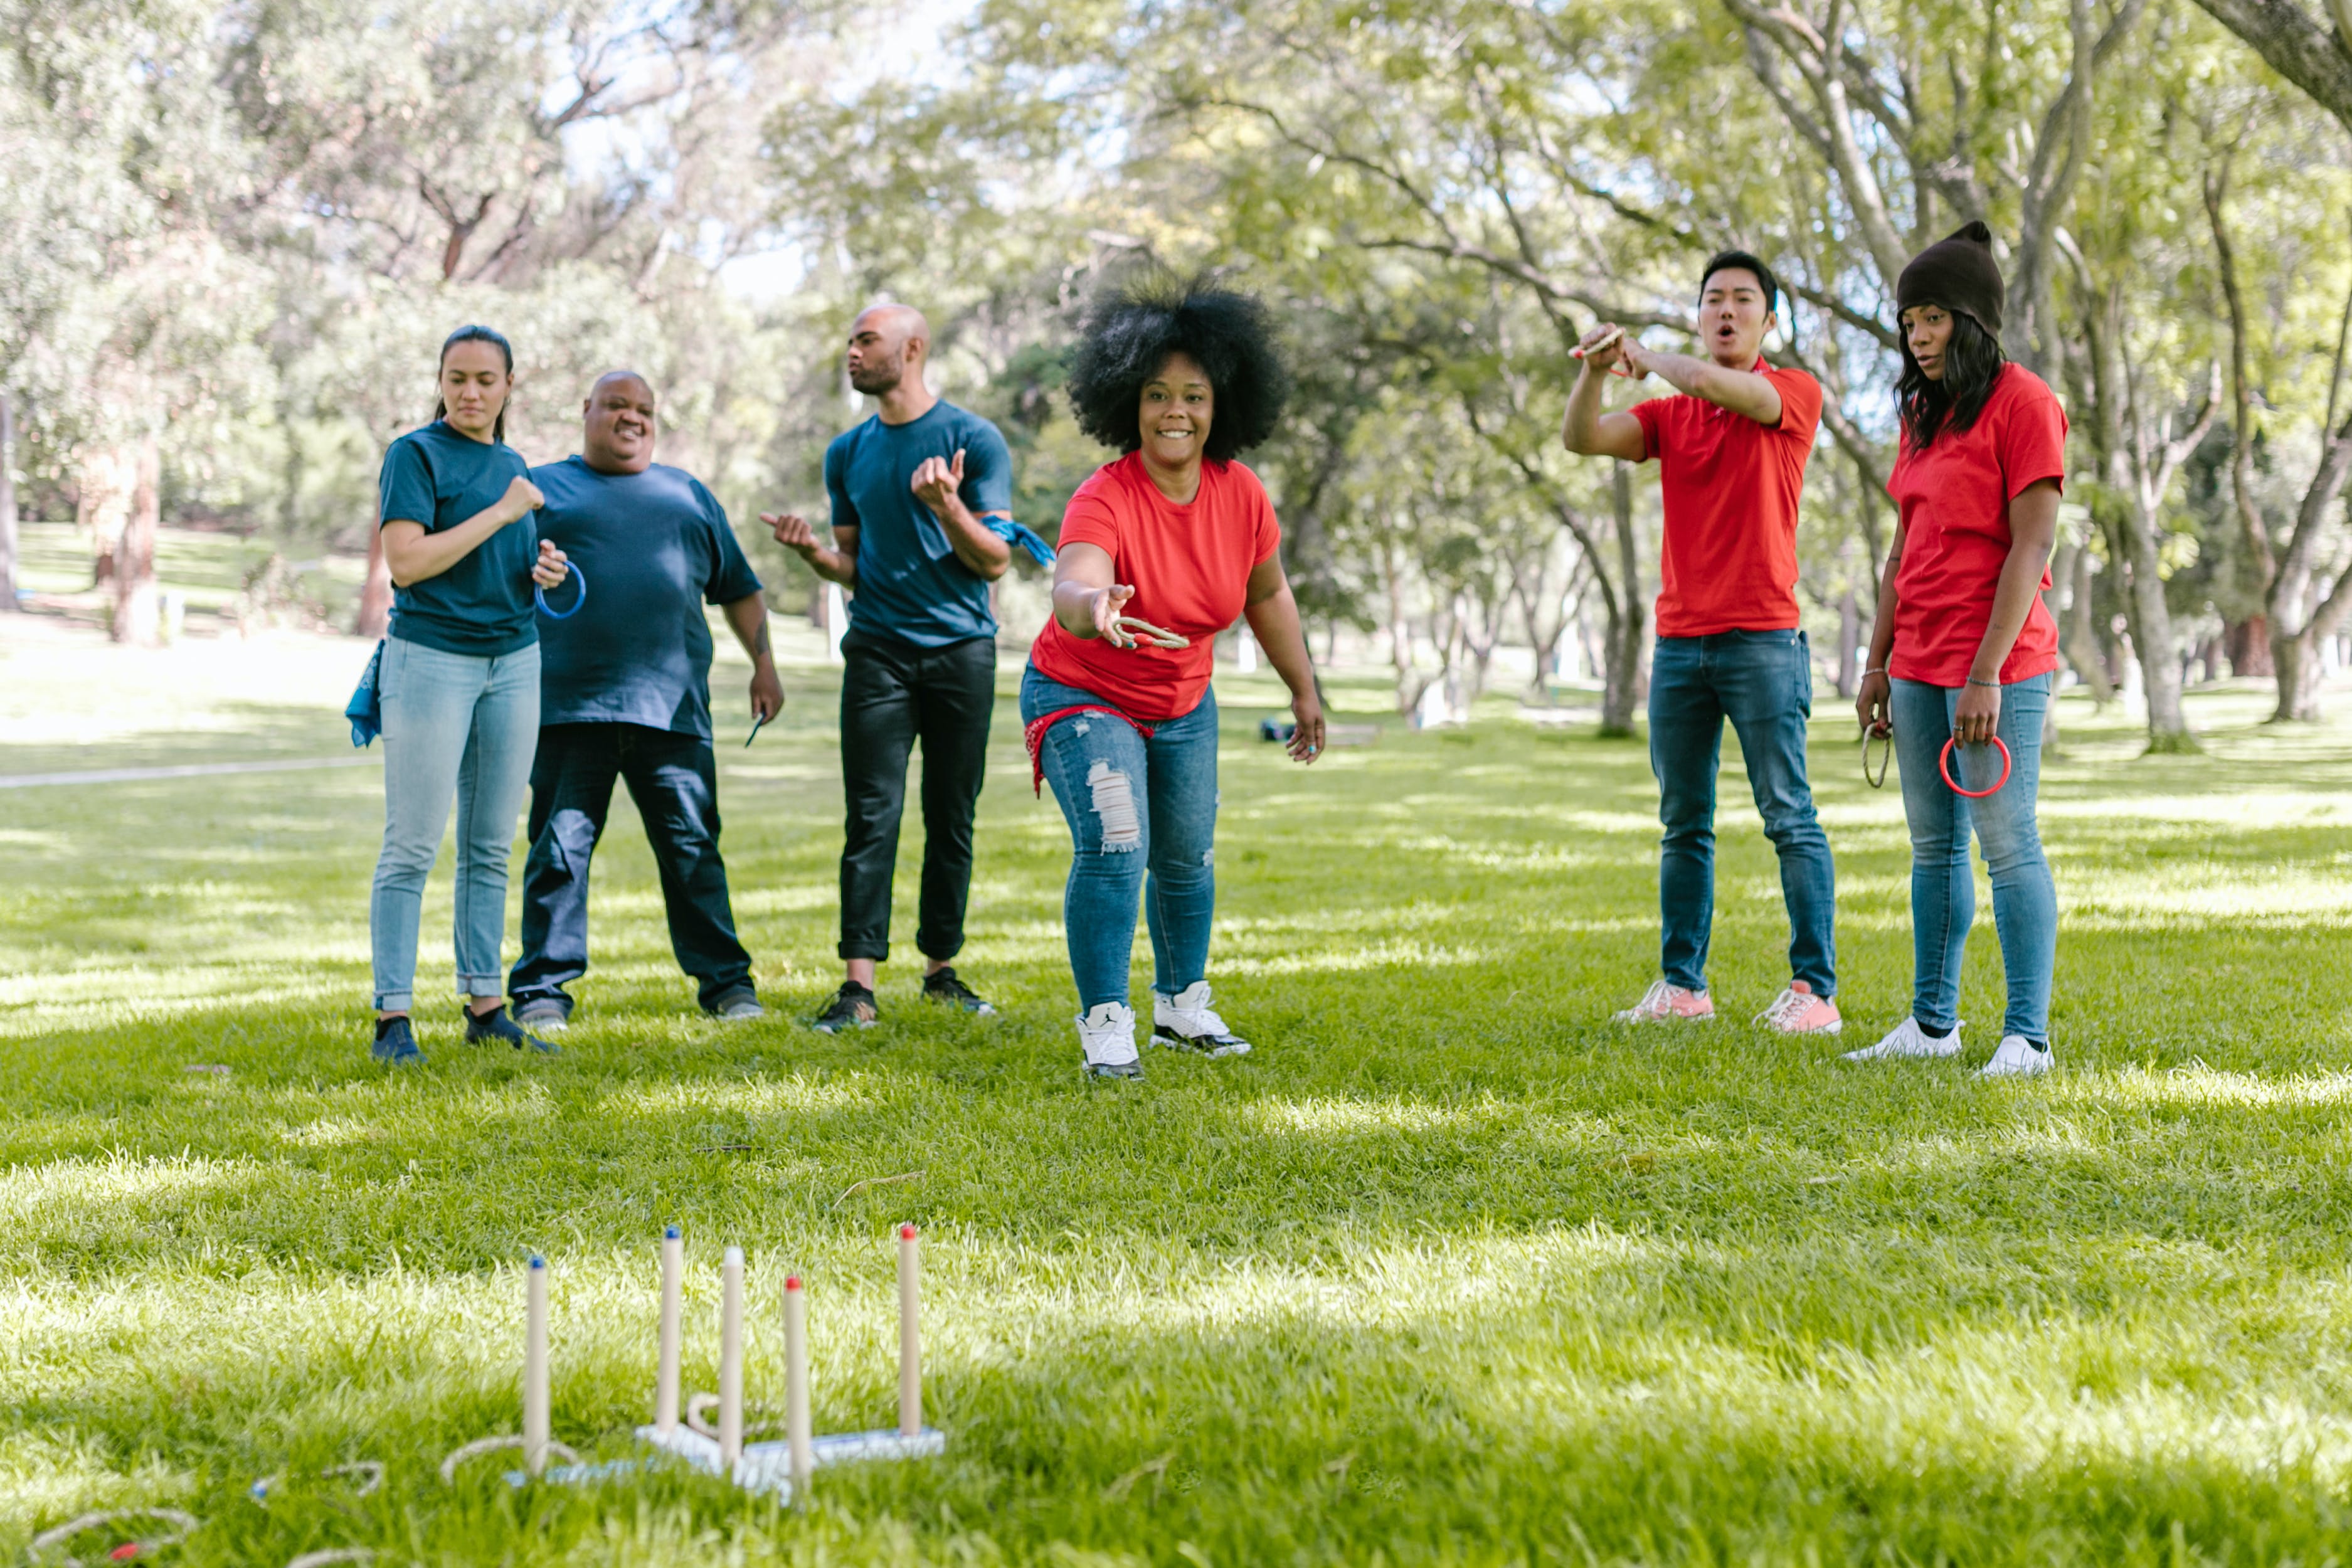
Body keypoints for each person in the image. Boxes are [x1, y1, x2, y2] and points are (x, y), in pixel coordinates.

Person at [1020, 275, 1324, 1081]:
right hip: (1083, 690)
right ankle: (1105, 1020)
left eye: (1193, 394)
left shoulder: (1242, 494)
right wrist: (1097, 604)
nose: (1175, 411)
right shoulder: (1105, 495)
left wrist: (1304, 689)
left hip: (1184, 699)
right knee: (1121, 842)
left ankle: (1182, 1008)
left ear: (1223, 402)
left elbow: (1268, 593)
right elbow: (1071, 583)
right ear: (1129, 401)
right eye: (1157, 394)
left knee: (1186, 855)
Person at [1563, 251, 1841, 1036]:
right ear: (1697, 315)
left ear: (1768, 320)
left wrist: (1647, 358)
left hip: (1763, 638)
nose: (1727, 311)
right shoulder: (1669, 419)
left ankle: (1814, 993)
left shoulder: (1790, 394)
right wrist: (1595, 369)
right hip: (1682, 643)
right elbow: (1581, 438)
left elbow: (1726, 388)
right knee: (1684, 821)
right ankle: (1683, 986)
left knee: (1788, 814)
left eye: (1743, 300)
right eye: (1713, 299)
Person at [765, 304, 1044, 1032]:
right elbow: (853, 567)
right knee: (871, 816)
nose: (852, 353)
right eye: (852, 341)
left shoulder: (972, 439)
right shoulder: (846, 453)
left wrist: (949, 506)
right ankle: (858, 986)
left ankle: (941, 969)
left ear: (912, 348)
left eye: (867, 340)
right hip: (879, 653)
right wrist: (810, 555)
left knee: (952, 813)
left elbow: (993, 560)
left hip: (961, 651)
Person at [1846, 222, 2065, 1078]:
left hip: (1996, 666)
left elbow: (2032, 547)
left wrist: (1983, 673)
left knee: (2005, 844)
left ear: (1971, 321)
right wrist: (1875, 663)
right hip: (1916, 662)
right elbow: (1903, 549)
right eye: (1908, 323)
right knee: (1931, 849)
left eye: (1933, 318)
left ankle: (2026, 1039)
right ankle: (1931, 1023)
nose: (1918, 337)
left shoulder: (2025, 403)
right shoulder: (1920, 414)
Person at [506, 371, 783, 1030]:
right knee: (559, 851)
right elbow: (499, 578)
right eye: (617, 406)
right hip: (568, 708)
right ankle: (543, 991)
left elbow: (738, 587)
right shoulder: (540, 490)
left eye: (645, 410)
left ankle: (727, 986)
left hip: (673, 709)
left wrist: (764, 666)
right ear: (586, 411)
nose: (632, 418)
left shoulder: (688, 494)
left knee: (693, 849)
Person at [368, 324, 571, 1066]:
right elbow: (409, 561)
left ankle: (487, 1006)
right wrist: (504, 514)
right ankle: (393, 1019)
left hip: (514, 661)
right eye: (457, 378)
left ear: (509, 386)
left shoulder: (511, 464)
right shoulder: (414, 455)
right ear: (441, 380)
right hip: (431, 662)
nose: (471, 393)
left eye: (486, 380)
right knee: (412, 846)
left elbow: (496, 561)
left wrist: (540, 566)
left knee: (490, 845)